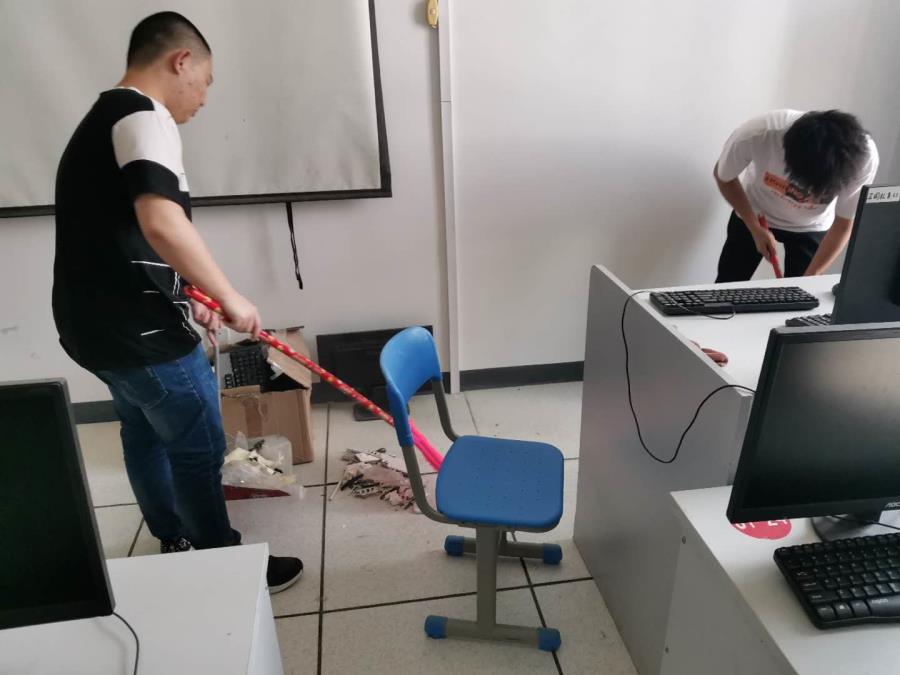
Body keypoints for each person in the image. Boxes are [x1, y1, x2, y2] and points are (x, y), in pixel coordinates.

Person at [52, 12, 302, 593]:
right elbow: (162, 224)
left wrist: (190, 292)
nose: (204, 98)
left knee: (143, 432)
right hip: (141, 334)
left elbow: (123, 239)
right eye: (205, 81)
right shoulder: (145, 115)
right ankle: (223, 566)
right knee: (198, 447)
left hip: (95, 329)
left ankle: (173, 537)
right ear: (180, 61)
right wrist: (229, 295)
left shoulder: (104, 118)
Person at [713, 109, 878, 282]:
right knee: (727, 285)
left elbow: (843, 224)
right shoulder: (758, 135)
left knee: (802, 292)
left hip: (812, 225)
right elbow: (724, 177)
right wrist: (754, 227)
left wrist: (809, 279)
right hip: (756, 212)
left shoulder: (862, 159)